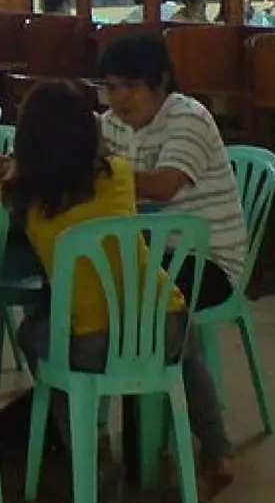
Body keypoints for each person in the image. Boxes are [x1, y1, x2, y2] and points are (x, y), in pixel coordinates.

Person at [0, 79, 233, 503]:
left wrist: (10, 173)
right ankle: (217, 450)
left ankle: (92, 451)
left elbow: (12, 203)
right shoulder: (118, 174)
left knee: (37, 336)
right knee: (184, 341)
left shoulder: (22, 197)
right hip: (160, 324)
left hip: (89, 342)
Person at [92, 34, 249, 334]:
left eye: (131, 86)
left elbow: (164, 186)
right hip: (148, 251)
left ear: (161, 80)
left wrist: (95, 172)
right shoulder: (112, 122)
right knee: (78, 281)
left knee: (113, 297)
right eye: (111, 88)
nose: (119, 98)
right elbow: (73, 141)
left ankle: (165, 361)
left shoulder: (188, 116)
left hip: (205, 260)